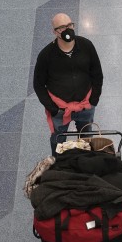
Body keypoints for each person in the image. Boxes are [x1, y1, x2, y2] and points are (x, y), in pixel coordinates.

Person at [33, 13, 104, 154]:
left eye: (70, 25)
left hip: (85, 106)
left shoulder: (86, 46)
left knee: (86, 136)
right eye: (62, 27)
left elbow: (97, 74)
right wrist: (52, 108)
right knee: (58, 139)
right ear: (54, 32)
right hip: (60, 110)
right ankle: (58, 161)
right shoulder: (46, 55)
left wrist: (94, 99)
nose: (68, 29)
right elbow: (38, 85)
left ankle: (85, 159)